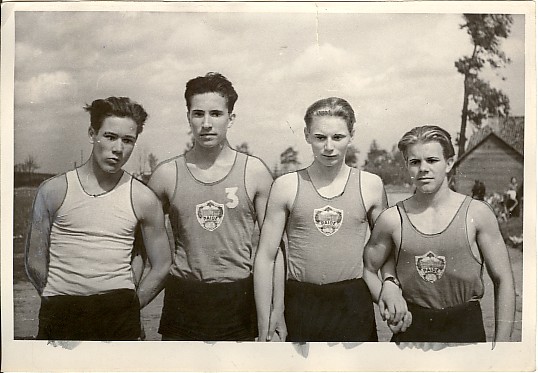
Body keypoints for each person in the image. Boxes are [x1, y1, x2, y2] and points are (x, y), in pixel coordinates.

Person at [254, 97, 409, 342]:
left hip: (352, 302)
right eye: (320, 137)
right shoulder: (286, 186)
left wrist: (390, 283)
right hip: (300, 301)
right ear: (306, 135)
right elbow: (266, 256)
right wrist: (270, 315)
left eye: (337, 137)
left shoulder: (370, 185)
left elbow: (384, 248)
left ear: (351, 135)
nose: (329, 147)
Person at [25, 97, 172, 341]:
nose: (118, 148)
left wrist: (131, 308)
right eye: (110, 136)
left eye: (128, 140)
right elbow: (34, 260)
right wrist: (54, 297)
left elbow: (163, 264)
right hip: (61, 312)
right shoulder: (53, 190)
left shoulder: (143, 198)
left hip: (118, 317)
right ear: (93, 133)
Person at [147, 72, 279, 341]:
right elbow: (138, 245)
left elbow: (273, 250)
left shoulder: (254, 172)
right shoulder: (166, 174)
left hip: (237, 297)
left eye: (216, 114)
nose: (206, 124)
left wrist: (276, 312)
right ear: (188, 117)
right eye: (198, 114)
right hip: (184, 298)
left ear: (230, 118)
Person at [363, 125, 516, 343]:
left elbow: (504, 280)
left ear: (449, 163)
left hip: (465, 327)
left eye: (432, 160)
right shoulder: (392, 219)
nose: (423, 168)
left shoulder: (477, 213)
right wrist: (387, 293)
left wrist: (502, 347)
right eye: (415, 162)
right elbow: (367, 269)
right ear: (407, 166)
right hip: (412, 331)